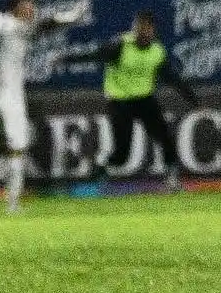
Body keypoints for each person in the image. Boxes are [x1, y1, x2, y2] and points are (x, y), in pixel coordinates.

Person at [0, 0, 87, 214]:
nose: (33, 8)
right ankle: (13, 204)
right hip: (9, 97)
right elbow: (46, 25)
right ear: (17, 5)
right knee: (17, 150)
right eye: (29, 3)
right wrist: (72, 16)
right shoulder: (17, 26)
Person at [69, 10, 199, 189]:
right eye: (139, 27)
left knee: (166, 139)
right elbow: (94, 56)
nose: (142, 31)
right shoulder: (120, 46)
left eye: (147, 28)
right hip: (120, 102)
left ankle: (172, 179)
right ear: (134, 28)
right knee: (122, 155)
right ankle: (100, 168)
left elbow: (172, 79)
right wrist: (66, 60)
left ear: (153, 30)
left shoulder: (156, 51)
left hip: (145, 100)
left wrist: (193, 101)